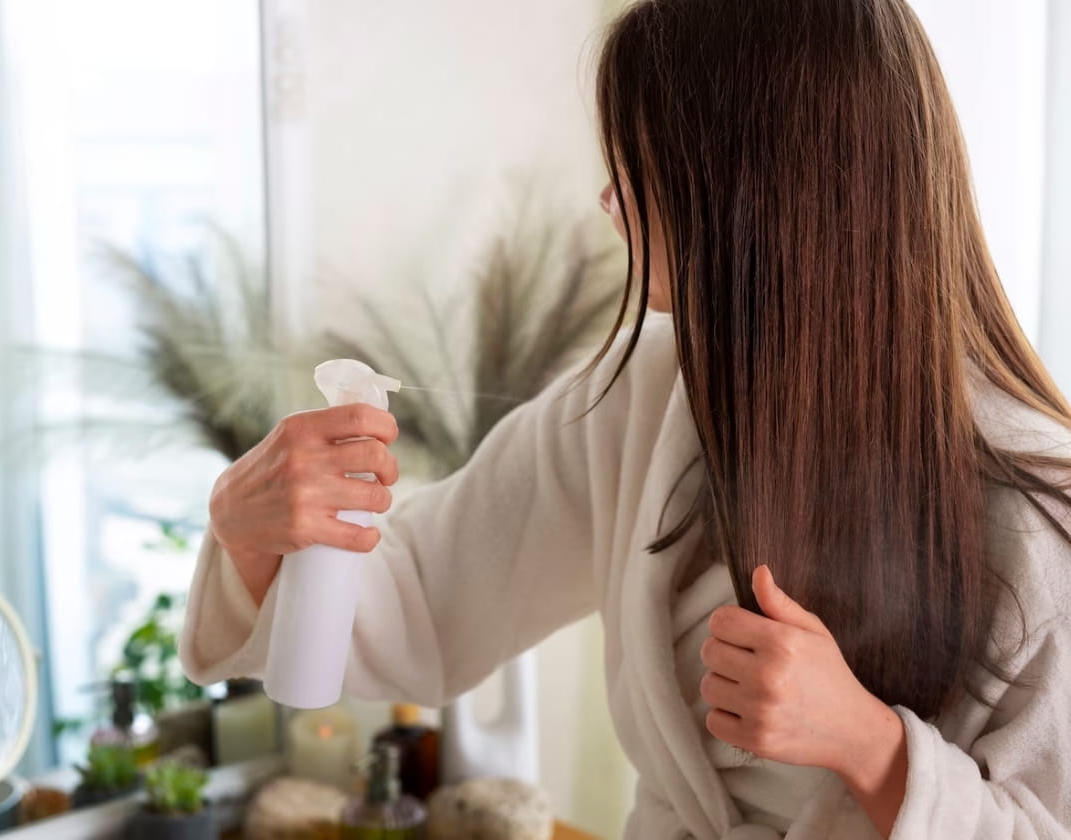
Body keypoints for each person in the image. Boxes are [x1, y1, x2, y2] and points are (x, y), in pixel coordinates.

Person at [180, 1, 1071, 837]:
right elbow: (422, 598)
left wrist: (870, 749)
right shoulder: (640, 395)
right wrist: (254, 532)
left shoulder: (1038, 513)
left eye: (640, 169)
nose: (610, 203)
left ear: (755, 195)